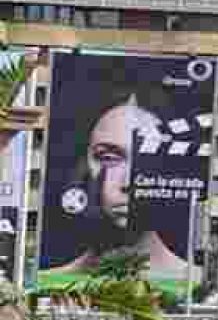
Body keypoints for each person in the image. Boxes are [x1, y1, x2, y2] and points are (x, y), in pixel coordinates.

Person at [43, 87, 192, 280]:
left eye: (147, 157)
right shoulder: (48, 281)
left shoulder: (200, 285)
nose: (128, 182)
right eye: (109, 157)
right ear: (82, 166)